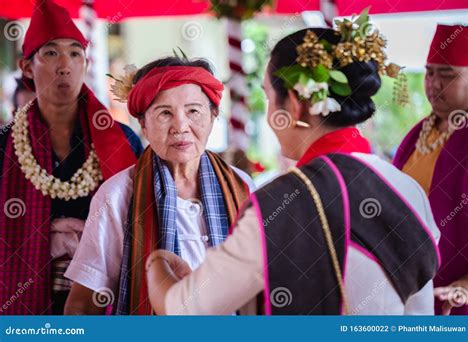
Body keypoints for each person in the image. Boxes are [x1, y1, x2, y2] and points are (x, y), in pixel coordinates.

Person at [145, 21, 441, 315]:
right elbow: (419, 315)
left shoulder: (280, 203)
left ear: (296, 105)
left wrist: (157, 263)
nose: (271, 113)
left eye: (270, 98)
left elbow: (184, 309)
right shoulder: (406, 189)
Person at [64, 56, 255, 315]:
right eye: (165, 113)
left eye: (193, 111)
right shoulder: (118, 195)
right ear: (143, 124)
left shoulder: (241, 186)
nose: (180, 127)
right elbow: (82, 305)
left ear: (213, 116)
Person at [0, 0, 142, 315]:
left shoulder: (122, 141)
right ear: (26, 67)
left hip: (104, 301)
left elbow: (144, 220)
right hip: (19, 300)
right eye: (51, 53)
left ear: (86, 64)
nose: (65, 65)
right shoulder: (4, 147)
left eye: (75, 53)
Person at [393, 24, 468, 315]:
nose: (434, 84)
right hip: (407, 287)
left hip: (457, 298)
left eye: (448, 74)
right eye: (429, 72)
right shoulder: (417, 135)